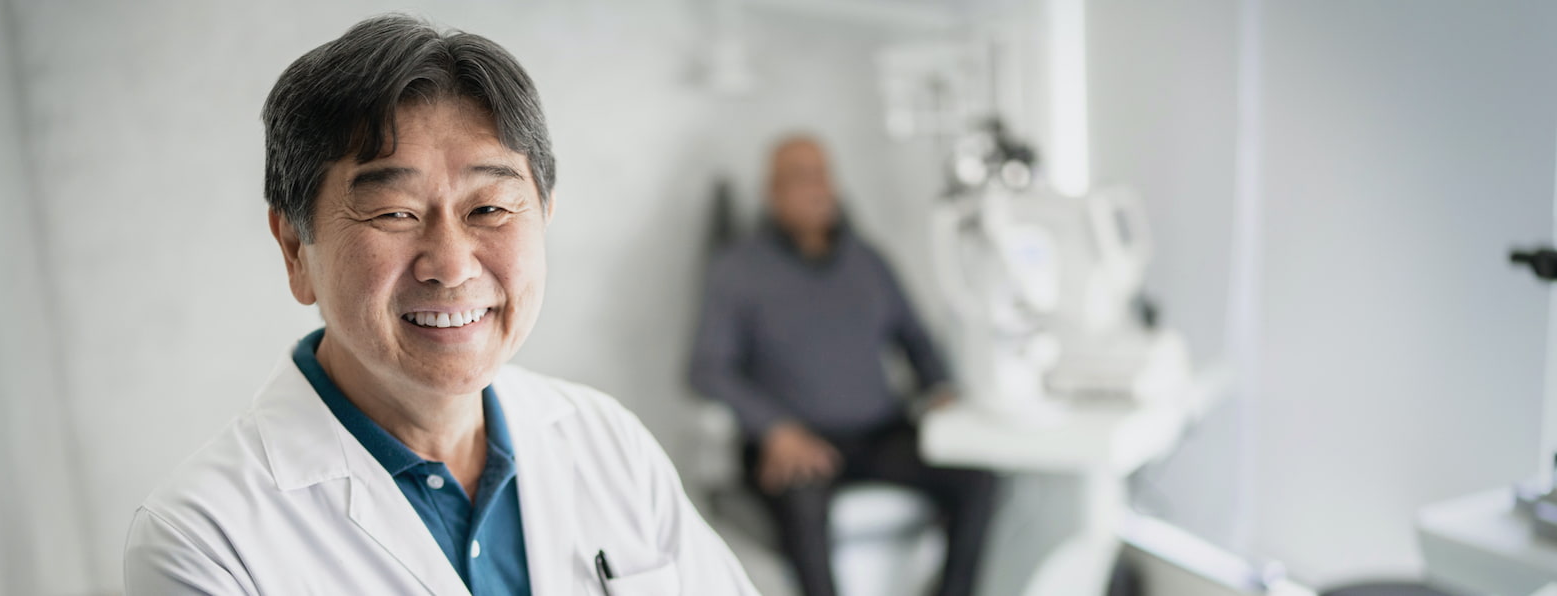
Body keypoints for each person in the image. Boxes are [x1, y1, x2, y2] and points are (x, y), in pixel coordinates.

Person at [123, 15, 757, 596]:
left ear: (545, 218)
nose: (452, 265)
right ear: (295, 246)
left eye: (489, 210)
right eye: (394, 213)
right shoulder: (204, 541)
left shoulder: (608, 442)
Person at [690, 136, 998, 596]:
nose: (815, 187)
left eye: (822, 174)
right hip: (794, 444)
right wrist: (775, 428)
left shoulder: (869, 262)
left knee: (979, 481)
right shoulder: (738, 270)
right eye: (799, 176)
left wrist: (941, 389)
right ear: (773, 192)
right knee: (803, 505)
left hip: (879, 437)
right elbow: (708, 369)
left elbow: (917, 341)